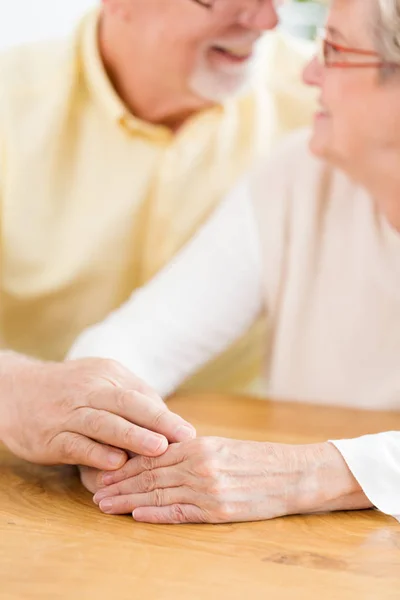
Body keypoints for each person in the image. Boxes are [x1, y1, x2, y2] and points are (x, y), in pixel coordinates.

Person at [69, 0, 400, 524]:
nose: (307, 71)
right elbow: (136, 340)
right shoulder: (298, 176)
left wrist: (315, 473)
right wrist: (115, 437)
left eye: (333, 50)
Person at [0, 1, 315, 470]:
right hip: (24, 469)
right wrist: (11, 388)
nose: (267, 20)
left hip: (239, 468)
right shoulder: (12, 101)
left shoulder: (334, 104)